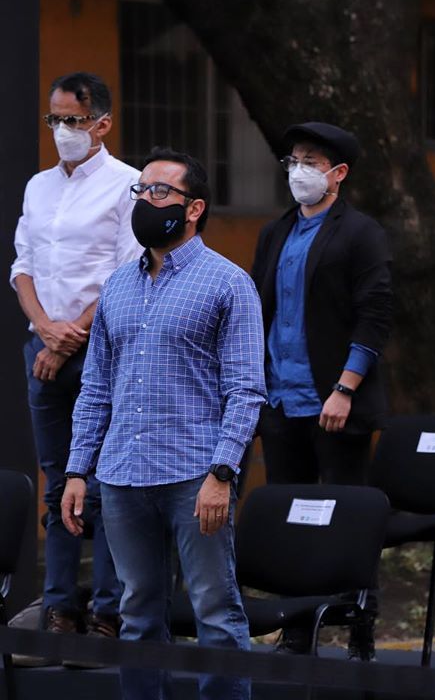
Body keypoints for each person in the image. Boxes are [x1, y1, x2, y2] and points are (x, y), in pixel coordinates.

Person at [61, 148, 266, 700]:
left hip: (194, 477)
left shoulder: (228, 283)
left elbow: (246, 389)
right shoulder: (118, 287)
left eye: (158, 192)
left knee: (216, 613)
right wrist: (79, 469)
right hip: (123, 477)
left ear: (193, 207)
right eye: (140, 191)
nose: (144, 201)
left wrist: (223, 473)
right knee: (136, 614)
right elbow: (96, 386)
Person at [250, 122, 392, 659]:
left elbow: (375, 314)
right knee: (292, 513)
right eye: (293, 160)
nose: (299, 170)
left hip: (335, 400)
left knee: (347, 511)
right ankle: (297, 626)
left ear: (338, 174)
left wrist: (345, 387)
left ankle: (360, 621)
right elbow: (260, 311)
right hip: (281, 399)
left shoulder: (361, 233)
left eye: (311, 161)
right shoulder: (275, 232)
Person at [9, 72, 140, 656]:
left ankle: (109, 609)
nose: (61, 130)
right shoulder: (38, 186)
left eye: (73, 120)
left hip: (101, 350)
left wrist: (69, 338)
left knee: (107, 484)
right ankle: (60, 607)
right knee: (56, 482)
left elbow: (126, 271)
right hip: (42, 348)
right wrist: (42, 329)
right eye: (54, 119)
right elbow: (22, 265)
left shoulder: (128, 184)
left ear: (102, 124)